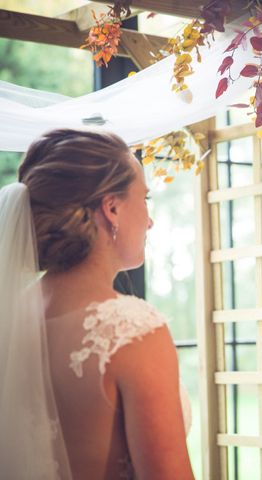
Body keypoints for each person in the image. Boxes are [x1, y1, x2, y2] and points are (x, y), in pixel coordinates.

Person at [0, 129, 194, 479]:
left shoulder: (8, 317)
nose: (150, 220)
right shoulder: (133, 331)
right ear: (112, 208)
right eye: (145, 198)